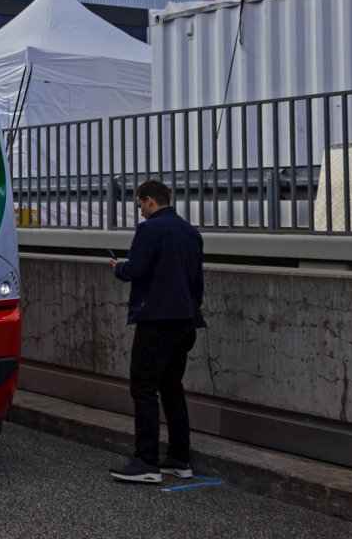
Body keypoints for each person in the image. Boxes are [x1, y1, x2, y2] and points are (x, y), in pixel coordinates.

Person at [109, 179, 205, 484]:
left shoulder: (149, 229)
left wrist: (118, 267)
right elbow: (197, 283)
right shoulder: (192, 233)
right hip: (186, 321)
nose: (140, 212)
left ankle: (146, 462)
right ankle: (180, 458)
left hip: (157, 321)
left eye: (139, 205)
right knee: (172, 387)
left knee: (143, 388)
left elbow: (135, 269)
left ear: (150, 200)